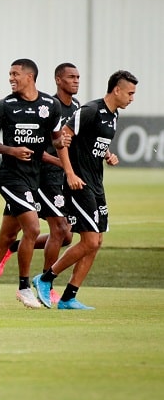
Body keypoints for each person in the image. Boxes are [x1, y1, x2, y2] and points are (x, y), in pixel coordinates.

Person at [0, 58, 68, 310]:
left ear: (30, 76)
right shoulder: (5, 106)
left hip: (33, 178)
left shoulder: (50, 105)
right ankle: (24, 288)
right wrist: (11, 150)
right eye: (9, 74)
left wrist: (65, 154)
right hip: (10, 177)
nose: (11, 78)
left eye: (15, 74)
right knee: (32, 229)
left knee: (7, 237)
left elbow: (56, 140)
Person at [32, 70, 138, 309]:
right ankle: (45, 278)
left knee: (97, 240)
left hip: (96, 184)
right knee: (89, 241)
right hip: (79, 184)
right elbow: (63, 141)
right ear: (117, 90)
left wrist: (107, 155)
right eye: (130, 93)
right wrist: (69, 173)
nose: (132, 98)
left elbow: (92, 144)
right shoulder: (90, 111)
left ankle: (69, 297)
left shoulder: (114, 116)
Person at [0, 63, 80, 304]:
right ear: (57, 80)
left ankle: (13, 249)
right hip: (42, 176)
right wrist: (62, 164)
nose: (76, 81)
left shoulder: (75, 108)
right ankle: (45, 283)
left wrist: (105, 154)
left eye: (78, 77)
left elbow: (79, 139)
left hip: (62, 176)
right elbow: (37, 149)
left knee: (66, 237)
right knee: (59, 230)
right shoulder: (44, 106)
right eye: (71, 77)